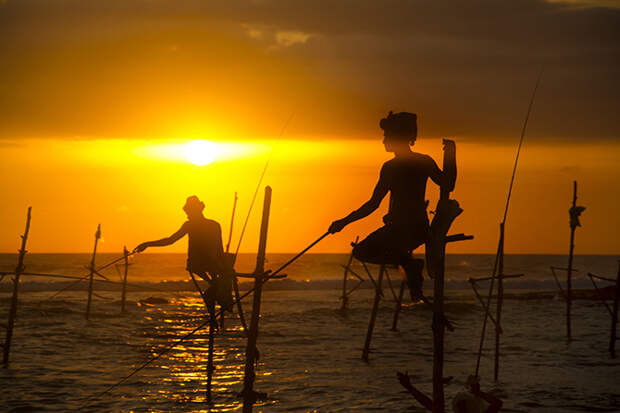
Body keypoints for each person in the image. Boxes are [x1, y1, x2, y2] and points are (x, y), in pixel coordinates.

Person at [328, 111, 455, 300]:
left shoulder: (391, 167)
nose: (383, 141)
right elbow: (448, 183)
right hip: (418, 230)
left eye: (387, 136)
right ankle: (411, 274)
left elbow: (373, 204)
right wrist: (452, 154)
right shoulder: (423, 161)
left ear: (397, 138)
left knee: (361, 251)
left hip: (400, 230)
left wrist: (344, 222)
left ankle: (409, 265)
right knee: (394, 256)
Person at [134, 195, 233, 309]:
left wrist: (147, 244)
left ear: (194, 210)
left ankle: (214, 287)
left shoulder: (191, 225)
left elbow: (170, 240)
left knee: (211, 289)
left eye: (188, 212)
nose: (187, 215)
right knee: (213, 288)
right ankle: (215, 287)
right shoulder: (214, 224)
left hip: (198, 264)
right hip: (212, 263)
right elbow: (219, 249)